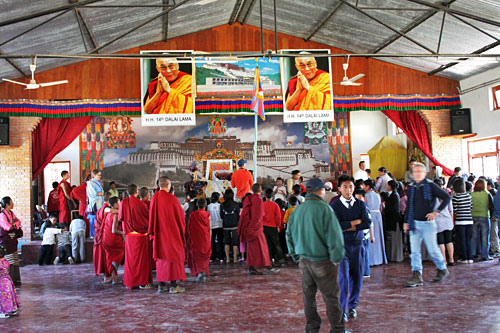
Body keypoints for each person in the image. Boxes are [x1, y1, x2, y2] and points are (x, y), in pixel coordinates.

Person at [286, 177, 345, 333]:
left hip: (304, 261)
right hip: (324, 261)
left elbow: (289, 235)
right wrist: (336, 258)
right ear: (320, 191)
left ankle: (312, 328)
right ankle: (337, 329)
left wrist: (296, 256)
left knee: (308, 297)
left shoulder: (297, 210)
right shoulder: (325, 209)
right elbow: (335, 236)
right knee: (331, 297)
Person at [331, 175, 371, 322]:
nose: (349, 190)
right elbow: (335, 226)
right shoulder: (334, 206)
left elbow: (367, 222)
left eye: (351, 187)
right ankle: (343, 310)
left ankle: (352, 305)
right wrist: (354, 223)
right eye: (345, 187)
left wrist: (347, 225)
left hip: (358, 244)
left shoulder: (360, 204)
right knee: (343, 277)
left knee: (358, 276)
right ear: (339, 189)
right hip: (343, 246)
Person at [404, 163, 450, 287]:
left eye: (420, 171)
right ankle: (417, 274)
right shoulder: (411, 187)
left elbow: (446, 197)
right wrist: (405, 221)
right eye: (415, 171)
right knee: (414, 251)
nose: (417, 173)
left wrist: (436, 212)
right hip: (414, 223)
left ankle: (442, 268)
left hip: (428, 224)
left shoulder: (431, 185)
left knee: (432, 249)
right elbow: (409, 206)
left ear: (425, 173)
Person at [149, 176, 186, 294]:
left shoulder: (154, 197)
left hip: (159, 234)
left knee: (161, 259)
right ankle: (174, 285)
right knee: (173, 257)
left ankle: (161, 285)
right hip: (171, 234)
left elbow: (151, 217)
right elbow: (180, 217)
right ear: (168, 186)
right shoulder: (172, 199)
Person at [119, 184, 153, 290]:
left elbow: (121, 218)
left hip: (129, 236)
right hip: (141, 236)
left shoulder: (123, 203)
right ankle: (142, 283)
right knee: (141, 260)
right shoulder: (140, 204)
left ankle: (130, 281)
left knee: (130, 260)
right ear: (136, 191)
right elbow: (147, 219)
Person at [237, 184, 272, 275]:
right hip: (255, 227)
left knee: (253, 248)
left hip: (250, 225)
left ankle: (253, 267)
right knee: (260, 246)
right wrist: (254, 227)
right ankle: (262, 266)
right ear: (260, 191)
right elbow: (258, 215)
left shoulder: (249, 198)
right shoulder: (258, 200)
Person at [363, 179, 387, 266]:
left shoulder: (366, 196)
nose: (363, 187)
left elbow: (364, 207)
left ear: (368, 186)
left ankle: (371, 260)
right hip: (378, 216)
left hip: (370, 216)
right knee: (378, 237)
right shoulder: (378, 195)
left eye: (364, 185)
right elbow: (381, 208)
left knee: (370, 237)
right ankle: (379, 259)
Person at [187, 198, 212, 283]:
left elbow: (189, 228)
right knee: (205, 255)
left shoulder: (192, 215)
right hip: (205, 238)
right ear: (205, 205)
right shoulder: (207, 215)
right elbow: (209, 228)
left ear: (197, 205)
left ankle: (199, 272)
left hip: (196, 238)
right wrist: (210, 239)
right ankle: (203, 271)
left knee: (197, 255)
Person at [470, 179, 495, 261]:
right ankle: (485, 255)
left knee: (473, 236)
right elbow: (491, 207)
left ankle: (473, 253)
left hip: (473, 217)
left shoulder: (471, 194)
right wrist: (492, 216)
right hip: (484, 216)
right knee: (485, 237)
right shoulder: (487, 194)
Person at [0, 197, 23, 286]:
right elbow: (7, 227)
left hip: (12, 240)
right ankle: (9, 280)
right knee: (10, 259)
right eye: (11, 203)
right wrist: (14, 225)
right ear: (7, 205)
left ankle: (15, 280)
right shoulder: (2, 215)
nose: (13, 204)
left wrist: (13, 224)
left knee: (15, 259)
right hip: (6, 241)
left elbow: (18, 222)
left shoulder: (11, 213)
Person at [102, 197, 125, 285]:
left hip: (106, 238)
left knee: (109, 257)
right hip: (113, 239)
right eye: (119, 202)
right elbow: (114, 230)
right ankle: (115, 265)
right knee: (119, 254)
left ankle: (114, 279)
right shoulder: (115, 214)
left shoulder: (107, 213)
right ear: (115, 204)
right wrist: (124, 233)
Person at [433, 179, 455, 266]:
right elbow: (451, 210)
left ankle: (444, 260)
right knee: (449, 241)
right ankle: (451, 259)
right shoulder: (446, 196)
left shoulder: (432, 197)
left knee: (440, 242)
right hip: (447, 220)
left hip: (437, 221)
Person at [262, 188, 286, 267]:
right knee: (276, 244)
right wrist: (278, 226)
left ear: (264, 195)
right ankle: (281, 261)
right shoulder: (275, 205)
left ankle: (269, 261)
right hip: (273, 226)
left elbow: (260, 217)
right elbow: (278, 217)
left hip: (264, 227)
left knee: (267, 244)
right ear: (273, 196)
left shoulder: (262, 205)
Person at [452, 178, 474, 264]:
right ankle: (470, 257)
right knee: (468, 239)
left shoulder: (456, 197)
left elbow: (455, 210)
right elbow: (471, 207)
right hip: (469, 220)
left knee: (462, 239)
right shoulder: (469, 196)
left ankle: (464, 258)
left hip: (460, 221)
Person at [94, 192, 113, 283]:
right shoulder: (106, 208)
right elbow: (112, 211)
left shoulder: (102, 208)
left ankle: (108, 276)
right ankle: (107, 276)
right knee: (106, 257)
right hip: (103, 236)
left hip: (101, 235)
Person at [384, 180, 403, 263]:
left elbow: (394, 209)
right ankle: (392, 256)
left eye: (388, 185)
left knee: (395, 239)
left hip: (394, 220)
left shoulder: (394, 195)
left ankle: (395, 256)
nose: (387, 187)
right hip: (392, 219)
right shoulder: (393, 195)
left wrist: (385, 211)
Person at [221, 189, 241, 264]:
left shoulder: (222, 205)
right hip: (234, 224)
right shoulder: (236, 204)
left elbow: (221, 216)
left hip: (225, 224)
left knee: (227, 241)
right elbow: (238, 214)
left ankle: (228, 259)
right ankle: (235, 258)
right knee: (235, 241)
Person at [0, 244, 20, 319]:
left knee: (3, 297)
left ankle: (4, 311)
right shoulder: (5, 261)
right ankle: (12, 309)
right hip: (7, 281)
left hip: (2, 283)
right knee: (9, 295)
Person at [87, 169, 104, 239]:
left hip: (99, 203)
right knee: (93, 218)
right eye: (98, 175)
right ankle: (93, 234)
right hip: (94, 203)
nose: (100, 176)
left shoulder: (97, 182)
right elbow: (92, 194)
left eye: (100, 175)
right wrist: (100, 193)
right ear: (94, 175)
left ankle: (98, 233)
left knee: (99, 218)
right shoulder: (90, 183)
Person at [207, 192, 224, 263]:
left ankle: (212, 257)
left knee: (212, 241)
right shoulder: (220, 205)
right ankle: (221, 257)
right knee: (220, 241)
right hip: (220, 225)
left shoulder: (209, 206)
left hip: (212, 225)